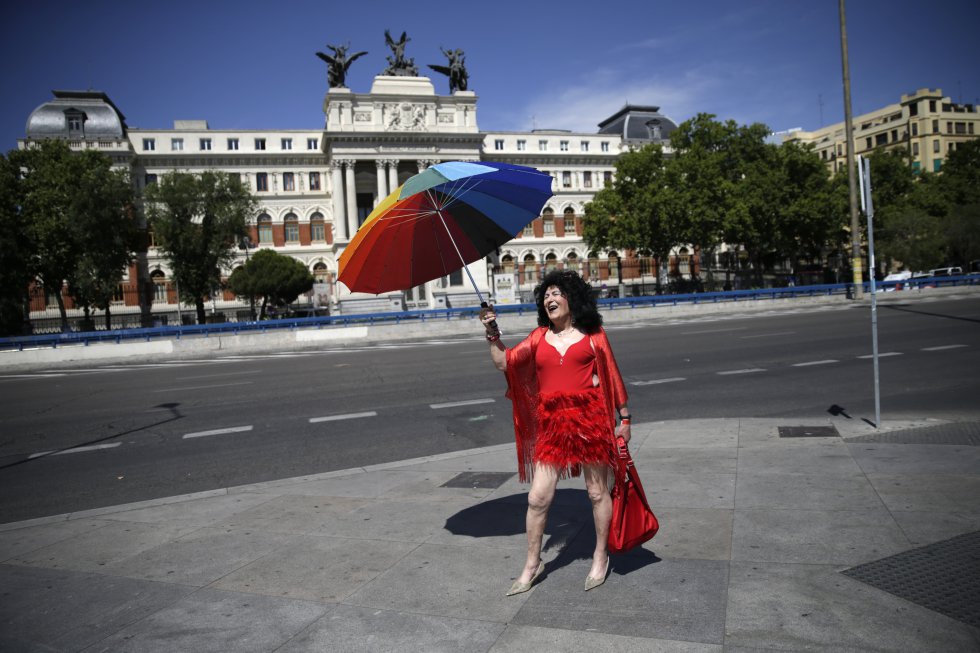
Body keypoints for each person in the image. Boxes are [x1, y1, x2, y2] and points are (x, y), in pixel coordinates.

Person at [479, 269, 631, 595]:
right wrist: (492, 333)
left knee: (596, 493)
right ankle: (533, 563)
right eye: (546, 295)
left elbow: (613, 375)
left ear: (571, 298)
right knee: (537, 498)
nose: (550, 298)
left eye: (556, 292)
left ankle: (600, 555)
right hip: (552, 427)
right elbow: (505, 363)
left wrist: (625, 418)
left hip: (590, 421)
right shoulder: (538, 337)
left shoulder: (594, 335)